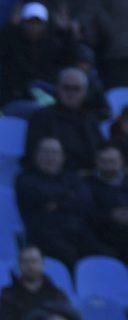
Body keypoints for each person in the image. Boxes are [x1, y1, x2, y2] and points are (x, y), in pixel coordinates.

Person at [15, 136, 108, 268]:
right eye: (45, 152)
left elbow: (85, 201)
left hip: (78, 232)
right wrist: (69, 198)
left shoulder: (72, 177)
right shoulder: (25, 179)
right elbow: (42, 198)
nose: (50, 157)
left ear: (62, 157)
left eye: (54, 153)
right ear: (36, 155)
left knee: (106, 256)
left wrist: (58, 203)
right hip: (45, 234)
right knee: (68, 257)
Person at [0, 3, 78, 114]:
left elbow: (71, 59)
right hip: (14, 101)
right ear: (23, 23)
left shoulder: (53, 45)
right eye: (30, 23)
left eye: (38, 23)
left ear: (45, 25)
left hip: (47, 103)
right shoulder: (12, 43)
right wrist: (10, 26)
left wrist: (66, 32)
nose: (34, 27)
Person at [24, 67, 103, 173]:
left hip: (89, 176)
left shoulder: (90, 117)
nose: (71, 93)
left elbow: (100, 148)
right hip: (55, 176)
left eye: (76, 89)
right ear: (57, 88)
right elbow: (34, 154)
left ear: (84, 91)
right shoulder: (41, 117)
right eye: (66, 88)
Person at [88, 145, 128, 261]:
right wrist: (111, 215)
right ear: (97, 162)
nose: (109, 166)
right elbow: (86, 213)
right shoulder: (87, 185)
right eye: (104, 161)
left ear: (121, 162)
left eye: (113, 161)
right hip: (103, 236)